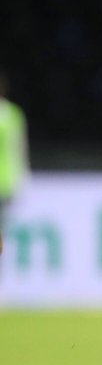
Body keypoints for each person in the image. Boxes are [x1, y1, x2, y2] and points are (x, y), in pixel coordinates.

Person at [0, 70, 28, 258]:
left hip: (6, 181)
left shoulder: (14, 114)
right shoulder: (14, 114)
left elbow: (19, 147)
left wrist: (23, 175)